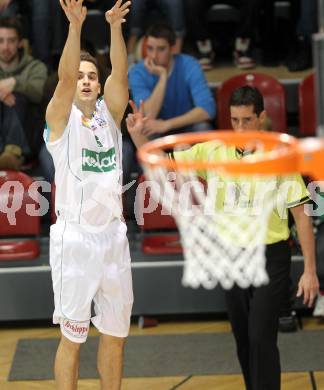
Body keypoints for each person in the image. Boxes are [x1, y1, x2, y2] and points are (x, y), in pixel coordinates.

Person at [126, 86, 319, 390]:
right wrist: (139, 136)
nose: (240, 128)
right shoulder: (213, 149)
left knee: (260, 337)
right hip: (231, 257)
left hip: (271, 257)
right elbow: (166, 162)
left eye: (247, 120)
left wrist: (309, 270)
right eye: (235, 120)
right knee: (243, 339)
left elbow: (301, 215)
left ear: (262, 118)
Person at [44, 1, 133, 389]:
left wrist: (114, 28)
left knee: (115, 337)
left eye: (91, 76)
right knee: (73, 338)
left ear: (98, 85)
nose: (84, 80)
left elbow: (122, 76)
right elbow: (63, 81)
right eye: (80, 75)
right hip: (76, 240)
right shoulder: (59, 120)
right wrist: (75, 27)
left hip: (113, 238)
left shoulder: (109, 116)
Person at [0, 16, 47, 159]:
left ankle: (12, 154)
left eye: (11, 40)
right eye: (0, 40)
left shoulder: (35, 67)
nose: (5, 47)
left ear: (20, 43)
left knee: (18, 98)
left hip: (27, 136)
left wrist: (15, 83)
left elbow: (37, 92)